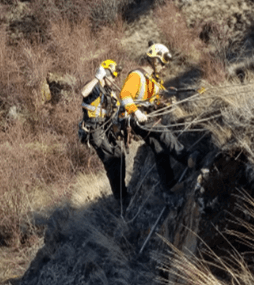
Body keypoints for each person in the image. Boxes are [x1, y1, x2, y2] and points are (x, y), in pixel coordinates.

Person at [119, 42, 195, 196]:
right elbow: (124, 95)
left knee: (159, 148)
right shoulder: (137, 76)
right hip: (134, 117)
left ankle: (170, 185)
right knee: (162, 131)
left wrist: (165, 104)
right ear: (154, 60)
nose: (164, 67)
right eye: (163, 63)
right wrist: (136, 112)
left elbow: (153, 101)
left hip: (145, 116)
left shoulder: (153, 80)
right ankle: (186, 158)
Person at [79, 59, 128, 203]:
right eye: (113, 75)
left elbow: (118, 107)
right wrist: (97, 77)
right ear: (105, 74)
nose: (115, 79)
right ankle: (120, 197)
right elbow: (83, 92)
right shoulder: (95, 87)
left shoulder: (109, 91)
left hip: (106, 128)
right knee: (111, 161)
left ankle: (122, 191)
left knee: (120, 155)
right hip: (94, 130)